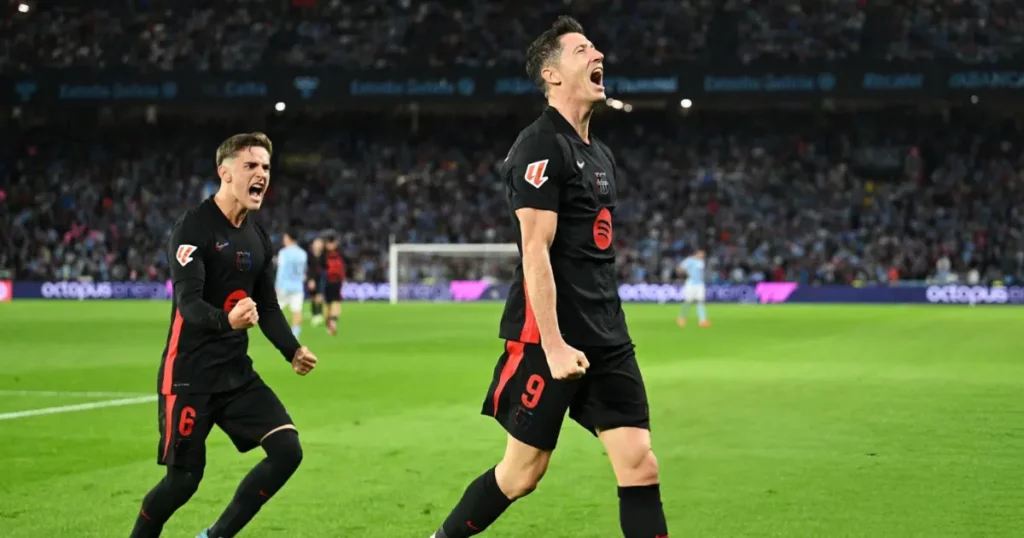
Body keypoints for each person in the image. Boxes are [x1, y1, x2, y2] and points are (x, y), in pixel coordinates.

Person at [429, 16, 669, 538]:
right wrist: (556, 346)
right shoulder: (541, 145)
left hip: (608, 332)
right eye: (582, 49)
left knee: (639, 463)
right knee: (521, 474)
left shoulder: (599, 154)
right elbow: (534, 250)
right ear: (552, 74)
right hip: (549, 335)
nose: (597, 53)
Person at [129, 132, 319, 538]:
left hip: (235, 375)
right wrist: (226, 321)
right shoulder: (193, 228)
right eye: (251, 166)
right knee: (182, 483)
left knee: (287, 451)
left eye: (266, 167)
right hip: (189, 376)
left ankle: (215, 537)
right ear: (225, 172)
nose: (262, 175)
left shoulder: (258, 237)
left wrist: (292, 350)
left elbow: (267, 306)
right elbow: (188, 304)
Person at [275, 231, 308, 337]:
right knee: (297, 310)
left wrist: (277, 286)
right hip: (297, 286)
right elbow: (303, 271)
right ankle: (295, 334)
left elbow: (281, 270)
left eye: (285, 237)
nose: (284, 240)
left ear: (289, 238)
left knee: (276, 310)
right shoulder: (302, 253)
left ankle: (281, 331)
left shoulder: (283, 252)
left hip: (284, 285)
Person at [677, 249, 710, 327]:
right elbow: (680, 268)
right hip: (691, 284)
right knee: (688, 301)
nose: (702, 256)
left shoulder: (701, 262)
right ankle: (681, 318)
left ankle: (702, 321)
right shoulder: (690, 260)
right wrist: (683, 274)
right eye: (701, 254)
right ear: (697, 254)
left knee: (700, 301)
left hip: (700, 284)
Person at [321, 234, 346, 336]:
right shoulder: (338, 254)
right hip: (331, 281)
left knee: (332, 303)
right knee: (332, 304)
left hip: (331, 281)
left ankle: (330, 323)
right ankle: (331, 322)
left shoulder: (324, 255)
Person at [307, 237, 325, 326]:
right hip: (311, 278)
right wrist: (310, 279)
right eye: (317, 243)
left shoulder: (323, 254)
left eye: (320, 243)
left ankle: (319, 314)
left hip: (321, 277)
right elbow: (309, 268)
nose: (318, 245)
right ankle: (314, 313)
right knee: (313, 297)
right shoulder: (309, 254)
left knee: (320, 296)